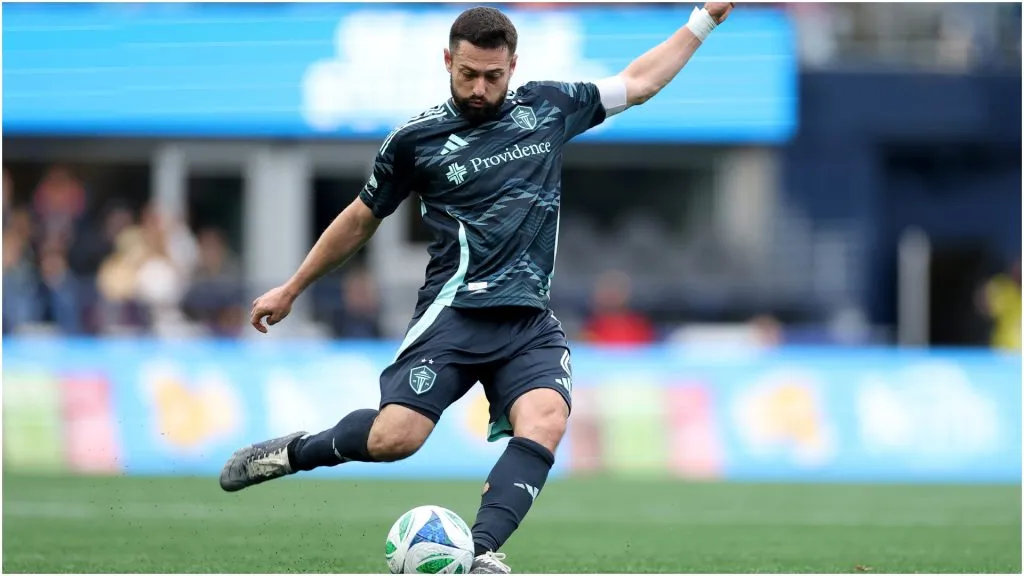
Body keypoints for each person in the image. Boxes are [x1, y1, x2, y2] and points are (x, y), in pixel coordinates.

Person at [219, 3, 734, 573]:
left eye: (494, 75)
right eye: (468, 74)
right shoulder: (415, 142)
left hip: (527, 320)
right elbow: (361, 219)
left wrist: (702, 20)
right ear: (447, 61)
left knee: (547, 420)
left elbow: (639, 82)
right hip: (455, 313)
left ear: (514, 65)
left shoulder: (550, 107)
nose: (481, 88)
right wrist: (293, 287)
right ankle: (290, 453)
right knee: (397, 438)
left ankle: (483, 551)